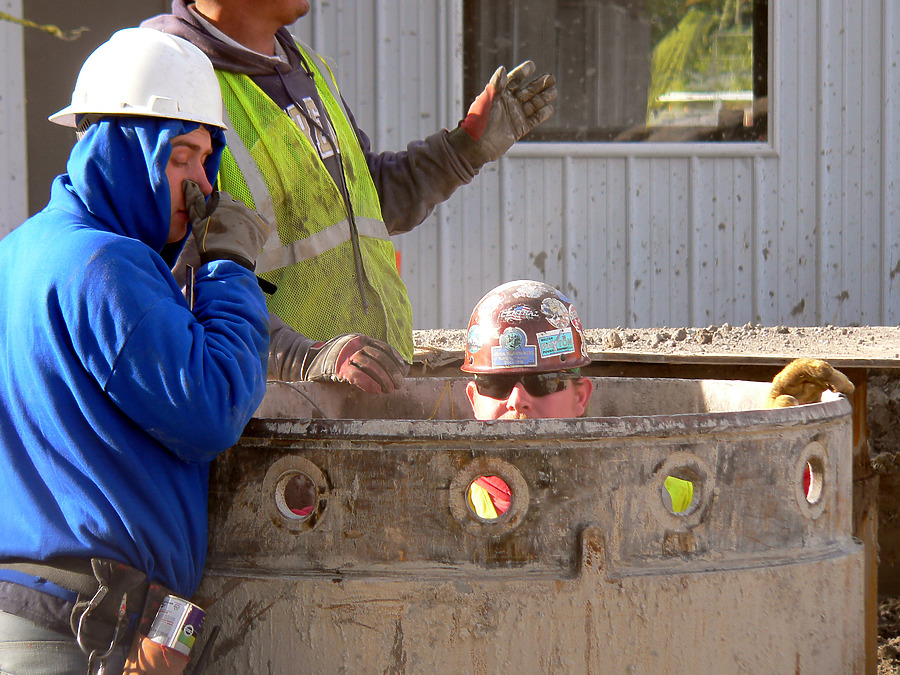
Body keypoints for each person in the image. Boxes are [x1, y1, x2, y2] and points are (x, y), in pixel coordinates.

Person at [0, 27, 271, 674]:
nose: (200, 184)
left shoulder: (22, 251)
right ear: (119, 148)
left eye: (207, 159)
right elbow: (212, 405)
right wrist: (229, 267)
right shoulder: (105, 264)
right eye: (180, 156)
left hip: (69, 614)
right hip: (81, 626)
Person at [142, 0, 558, 393]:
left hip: (369, 383)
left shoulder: (306, 68)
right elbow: (177, 281)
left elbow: (362, 204)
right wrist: (300, 359)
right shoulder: (176, 84)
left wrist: (462, 150)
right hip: (274, 409)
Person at [459, 280, 695, 518]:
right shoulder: (446, 503)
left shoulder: (663, 497)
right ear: (473, 399)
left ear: (580, 396)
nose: (517, 400)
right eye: (496, 384)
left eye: (542, 381)